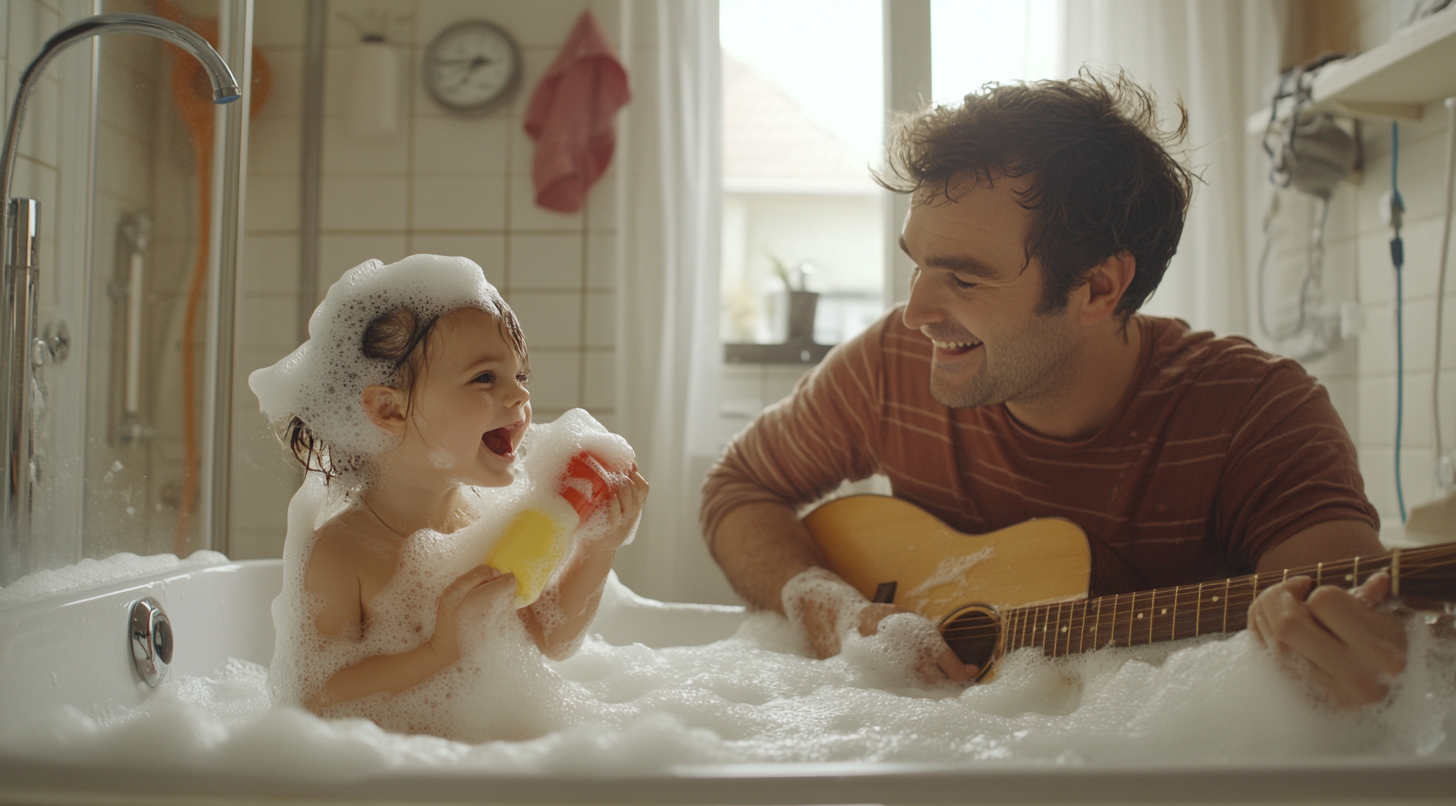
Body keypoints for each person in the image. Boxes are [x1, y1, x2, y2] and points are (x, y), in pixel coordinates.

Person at [700, 74, 1407, 708]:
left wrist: (1338, 652)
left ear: (1098, 287)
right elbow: (737, 487)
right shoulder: (889, 362)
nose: (915, 313)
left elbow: (1347, 619)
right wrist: (829, 608)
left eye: (966, 277)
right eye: (917, 264)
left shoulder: (1260, 413)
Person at [252, 255, 648, 731]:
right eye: (485, 377)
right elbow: (314, 696)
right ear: (388, 409)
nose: (521, 397)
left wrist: (598, 548)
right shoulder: (341, 551)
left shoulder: (489, 521)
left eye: (519, 377)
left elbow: (547, 636)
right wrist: (438, 650)